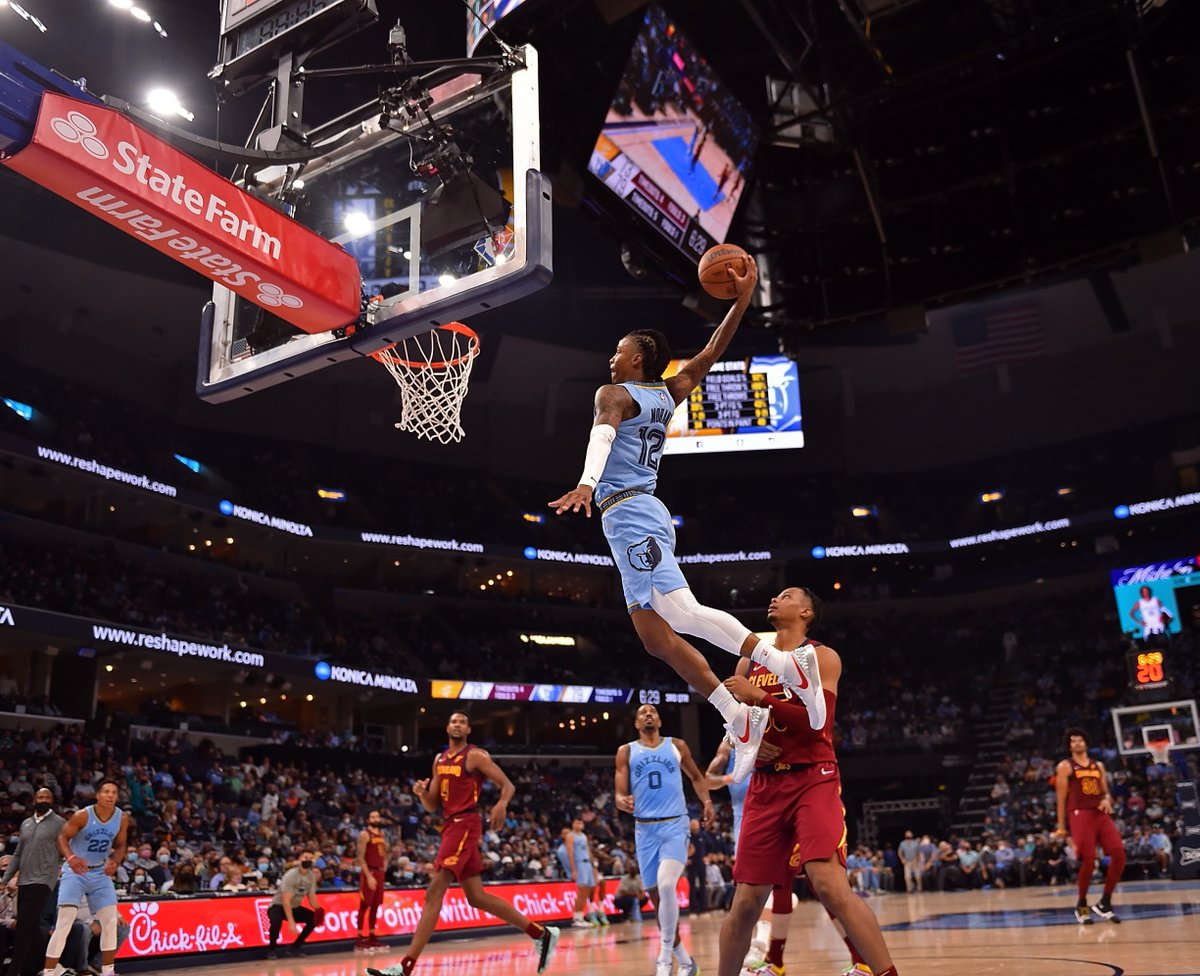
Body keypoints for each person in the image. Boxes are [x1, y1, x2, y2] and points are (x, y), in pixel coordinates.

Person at [550, 258, 824, 783]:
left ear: (638, 358)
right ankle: (738, 714)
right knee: (656, 638)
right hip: (633, 515)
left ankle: (787, 666)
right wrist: (741, 301)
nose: (612, 356)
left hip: (630, 511)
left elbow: (602, 435)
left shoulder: (614, 395)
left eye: (618, 350)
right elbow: (711, 352)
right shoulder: (668, 391)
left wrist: (587, 482)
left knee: (682, 610)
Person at [718, 587, 900, 976]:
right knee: (746, 901)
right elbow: (734, 721)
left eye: (785, 596)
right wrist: (746, 739)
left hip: (812, 778)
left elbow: (819, 723)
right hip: (765, 786)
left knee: (828, 883)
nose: (773, 599)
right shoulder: (748, 662)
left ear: (806, 612)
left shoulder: (821, 656)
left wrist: (760, 699)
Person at [368, 712, 559, 976]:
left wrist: (502, 803)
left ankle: (404, 968)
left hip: (465, 823)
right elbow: (433, 804)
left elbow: (508, 786)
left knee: (434, 892)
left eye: (462, 722)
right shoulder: (439, 759)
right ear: (447, 727)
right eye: (453, 721)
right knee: (476, 897)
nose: (457, 724)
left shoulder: (475, 756)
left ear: (468, 729)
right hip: (450, 823)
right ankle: (541, 933)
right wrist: (422, 794)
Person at [615, 703, 711, 976]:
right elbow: (618, 794)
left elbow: (696, 776)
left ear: (659, 720)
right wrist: (623, 802)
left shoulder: (677, 746)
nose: (648, 714)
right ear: (636, 724)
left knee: (668, 885)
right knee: (659, 903)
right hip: (645, 831)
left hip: (674, 826)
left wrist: (706, 801)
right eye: (643, 713)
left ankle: (664, 959)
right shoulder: (626, 752)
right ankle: (688, 963)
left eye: (653, 711)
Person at [42, 780, 128, 976]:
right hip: (76, 872)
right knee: (64, 922)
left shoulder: (121, 818)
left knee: (110, 921)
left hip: (100, 872)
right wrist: (70, 858)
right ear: (97, 795)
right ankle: (48, 971)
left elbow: (122, 844)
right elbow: (62, 838)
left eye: (114, 792)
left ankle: (108, 971)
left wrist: (116, 860)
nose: (110, 795)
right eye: (106, 791)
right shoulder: (83, 816)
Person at [1054, 728, 1126, 923]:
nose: (1077, 743)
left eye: (1080, 740)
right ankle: (1082, 904)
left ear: (1086, 742)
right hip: (1079, 813)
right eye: (1073, 741)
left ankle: (1105, 902)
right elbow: (1060, 799)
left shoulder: (1098, 765)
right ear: (1069, 746)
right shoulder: (1065, 766)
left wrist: (1107, 799)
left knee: (1119, 853)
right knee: (1089, 859)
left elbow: (1105, 792)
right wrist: (1061, 827)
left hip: (1099, 814)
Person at [2, 787, 65, 976]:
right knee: (31, 925)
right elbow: (18, 854)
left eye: (47, 797)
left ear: (52, 801)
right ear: (34, 800)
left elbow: (68, 849)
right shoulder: (26, 824)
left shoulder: (60, 823)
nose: (43, 799)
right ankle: (36, 969)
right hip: (24, 879)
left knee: (24, 924)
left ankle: (14, 971)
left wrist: (59, 867)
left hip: (43, 880)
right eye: (40, 796)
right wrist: (5, 879)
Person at [266, 848, 322, 958]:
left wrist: (318, 909)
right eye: (305, 857)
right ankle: (271, 949)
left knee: (313, 919)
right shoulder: (291, 875)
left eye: (310, 858)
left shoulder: (311, 877)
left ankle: (295, 947)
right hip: (278, 906)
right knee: (276, 922)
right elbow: (286, 901)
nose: (308, 860)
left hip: (294, 907)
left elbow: (311, 897)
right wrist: (291, 923)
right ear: (300, 859)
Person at [706, 739, 750, 855]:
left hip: (774, 810)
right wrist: (731, 778)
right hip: (743, 816)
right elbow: (708, 780)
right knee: (744, 867)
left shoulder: (769, 735)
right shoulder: (729, 744)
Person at [356, 809, 389, 950]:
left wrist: (385, 865)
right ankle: (359, 938)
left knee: (376, 905)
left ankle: (372, 936)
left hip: (380, 872)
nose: (376, 819)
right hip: (369, 871)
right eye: (372, 816)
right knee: (365, 905)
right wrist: (368, 876)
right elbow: (360, 857)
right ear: (368, 819)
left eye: (377, 816)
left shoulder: (381, 835)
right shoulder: (364, 834)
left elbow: (385, 853)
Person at [566, 817, 603, 927]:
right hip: (580, 864)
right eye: (576, 822)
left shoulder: (584, 836)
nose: (578, 825)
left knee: (587, 890)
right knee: (581, 891)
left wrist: (594, 867)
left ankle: (581, 916)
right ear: (573, 824)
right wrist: (573, 870)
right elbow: (570, 854)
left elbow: (588, 851)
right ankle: (576, 918)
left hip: (587, 864)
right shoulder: (570, 836)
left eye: (580, 823)